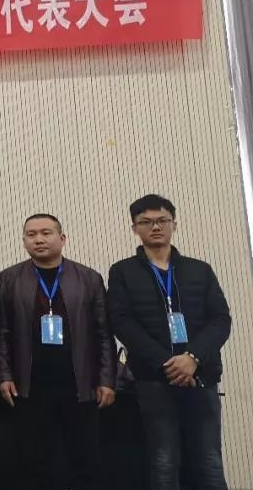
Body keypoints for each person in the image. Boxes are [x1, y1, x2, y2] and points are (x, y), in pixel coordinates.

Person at [107, 194, 231, 490]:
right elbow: (122, 322)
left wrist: (192, 358)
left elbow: (220, 320)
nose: (155, 227)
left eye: (162, 220)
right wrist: (168, 363)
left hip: (201, 376)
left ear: (174, 224)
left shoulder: (200, 269)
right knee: (163, 459)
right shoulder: (122, 271)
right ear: (134, 228)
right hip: (153, 380)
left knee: (209, 461)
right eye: (146, 222)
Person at [0, 213, 116, 490]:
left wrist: (107, 379)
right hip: (30, 385)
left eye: (46, 233)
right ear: (24, 241)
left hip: (80, 384)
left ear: (62, 238)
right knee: (34, 462)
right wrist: (4, 375)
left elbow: (104, 333)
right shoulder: (10, 278)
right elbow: (2, 333)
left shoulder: (89, 278)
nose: (38, 239)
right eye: (31, 234)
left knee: (85, 461)